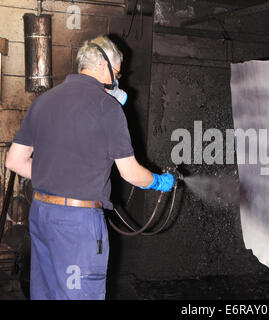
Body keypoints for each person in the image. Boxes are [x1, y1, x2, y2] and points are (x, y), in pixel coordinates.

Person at [5, 35, 174, 300]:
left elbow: (14, 161)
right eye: (118, 72)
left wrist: (54, 176)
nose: (118, 79)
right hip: (77, 224)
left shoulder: (44, 101)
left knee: (46, 294)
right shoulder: (108, 107)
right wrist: (158, 181)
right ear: (105, 67)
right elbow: (130, 172)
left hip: (41, 214)